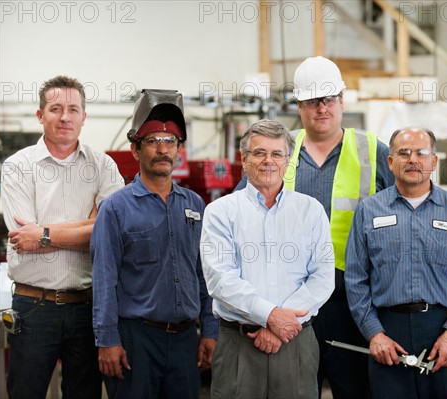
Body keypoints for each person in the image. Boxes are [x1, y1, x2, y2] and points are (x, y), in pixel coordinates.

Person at [236, 56, 394, 399]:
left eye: (328, 99)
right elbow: (241, 214)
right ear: (299, 105)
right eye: (311, 101)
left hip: (352, 299)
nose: (321, 108)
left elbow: (409, 205)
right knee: (294, 389)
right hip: (289, 298)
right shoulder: (278, 149)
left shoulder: (372, 150)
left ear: (341, 99)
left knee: (354, 388)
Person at [1, 75, 125, 399]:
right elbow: (21, 238)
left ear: (84, 116)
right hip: (33, 307)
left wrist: (42, 233)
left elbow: (111, 233)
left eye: (73, 109)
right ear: (41, 115)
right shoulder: (18, 167)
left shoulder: (104, 167)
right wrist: (89, 226)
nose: (65, 116)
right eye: (55, 108)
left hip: (88, 308)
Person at [90, 89, 218, 399]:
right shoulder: (116, 208)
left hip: (187, 337)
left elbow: (205, 272)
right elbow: (105, 279)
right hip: (136, 338)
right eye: (152, 141)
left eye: (170, 141)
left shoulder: (195, 204)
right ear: (135, 150)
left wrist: (210, 329)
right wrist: (107, 340)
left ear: (178, 150)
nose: (162, 149)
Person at [345, 127, 447, 399]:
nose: (413, 160)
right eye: (404, 153)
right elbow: (355, 278)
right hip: (387, 332)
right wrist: (374, 334)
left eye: (422, 153)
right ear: (390, 161)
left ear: (434, 161)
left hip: (441, 330)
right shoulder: (368, 210)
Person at [201, 119, 335, 399]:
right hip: (239, 344)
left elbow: (323, 277)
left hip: (295, 343)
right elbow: (220, 280)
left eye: (277, 154)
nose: (268, 161)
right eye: (259, 153)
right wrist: (271, 316)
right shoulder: (220, 212)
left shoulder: (310, 211)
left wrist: (280, 326)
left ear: (288, 161)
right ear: (244, 159)